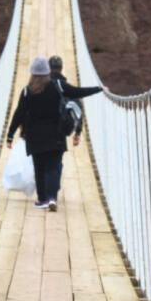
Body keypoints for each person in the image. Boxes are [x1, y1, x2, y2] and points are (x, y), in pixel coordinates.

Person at [7, 57, 103, 212]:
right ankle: (52, 198)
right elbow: (77, 92)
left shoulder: (26, 91)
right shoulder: (58, 85)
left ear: (32, 73)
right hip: (56, 134)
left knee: (39, 167)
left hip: (35, 136)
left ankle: (43, 199)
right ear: (47, 72)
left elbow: (18, 114)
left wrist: (10, 135)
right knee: (52, 166)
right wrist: (98, 89)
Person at [48, 55, 81, 202]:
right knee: (57, 162)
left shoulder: (41, 86)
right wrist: (77, 132)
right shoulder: (68, 88)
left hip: (42, 131)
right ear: (61, 68)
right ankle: (53, 193)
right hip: (60, 132)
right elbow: (77, 109)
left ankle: (46, 192)